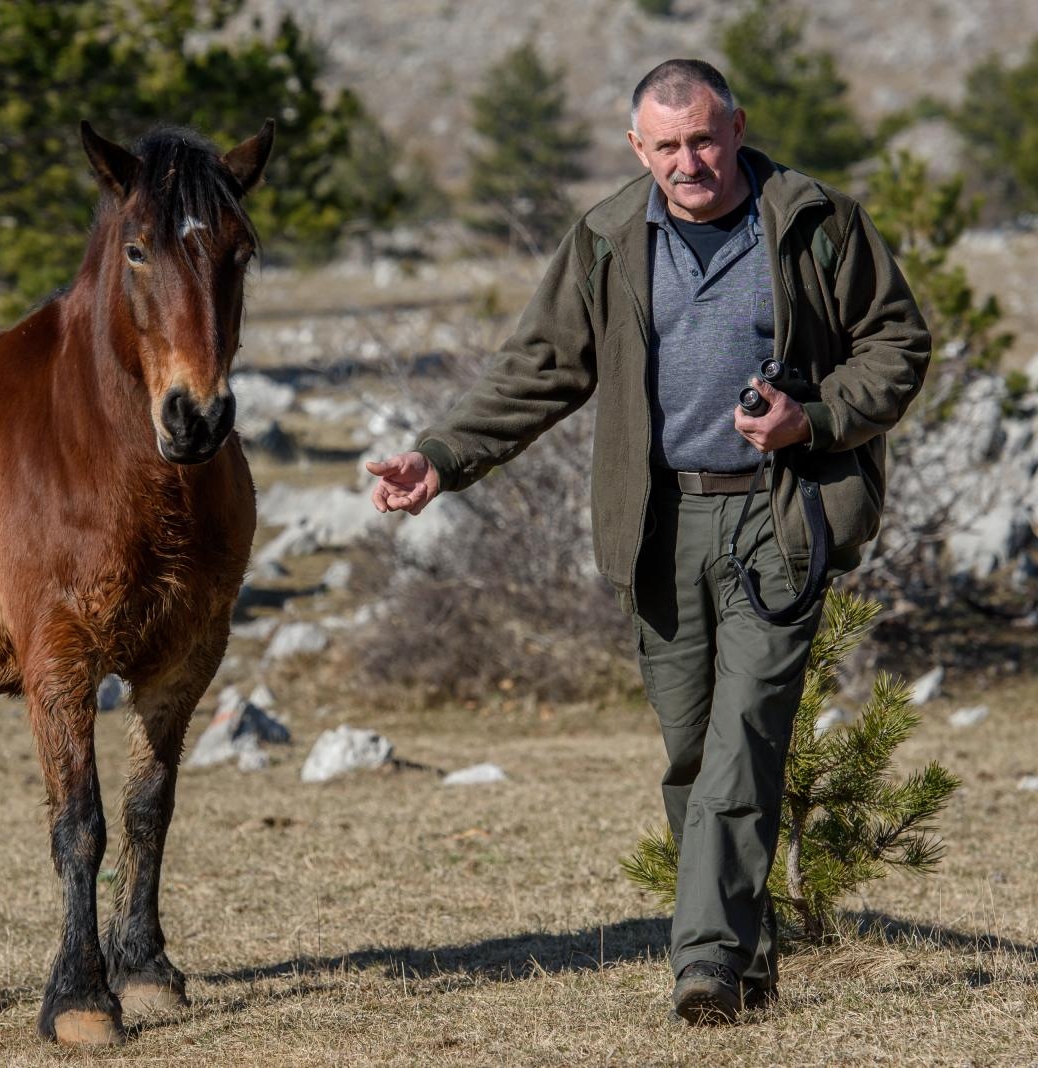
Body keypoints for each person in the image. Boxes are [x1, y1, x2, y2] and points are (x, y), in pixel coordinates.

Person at [367, 58, 930, 1024]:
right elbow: (540, 369)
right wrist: (441, 455)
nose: (689, 161)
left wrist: (816, 416)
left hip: (778, 512)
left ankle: (703, 966)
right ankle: (746, 960)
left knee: (743, 740)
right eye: (666, 145)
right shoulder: (609, 237)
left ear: (739, 127)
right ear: (638, 148)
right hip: (658, 522)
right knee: (688, 755)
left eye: (705, 139)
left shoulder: (814, 222)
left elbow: (898, 343)